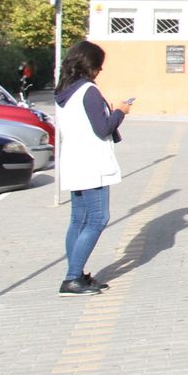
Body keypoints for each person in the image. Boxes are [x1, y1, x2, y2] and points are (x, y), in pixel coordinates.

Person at [55, 40, 130, 297]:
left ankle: (76, 272)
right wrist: (120, 111)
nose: (100, 71)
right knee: (98, 218)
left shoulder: (65, 90)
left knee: (78, 219)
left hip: (74, 160)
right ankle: (73, 278)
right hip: (91, 163)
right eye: (98, 66)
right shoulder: (88, 91)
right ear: (89, 65)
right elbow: (103, 128)